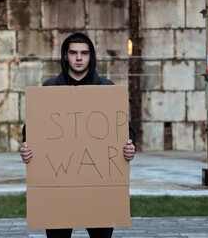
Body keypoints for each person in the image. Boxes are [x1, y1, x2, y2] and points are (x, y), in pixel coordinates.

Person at [20, 32, 136, 238]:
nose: (79, 58)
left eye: (84, 53)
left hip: (99, 184)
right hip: (58, 185)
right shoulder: (50, 89)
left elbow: (126, 129)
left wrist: (129, 145)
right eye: (73, 53)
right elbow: (31, 130)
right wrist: (26, 148)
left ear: (91, 56)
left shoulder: (106, 89)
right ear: (66, 55)